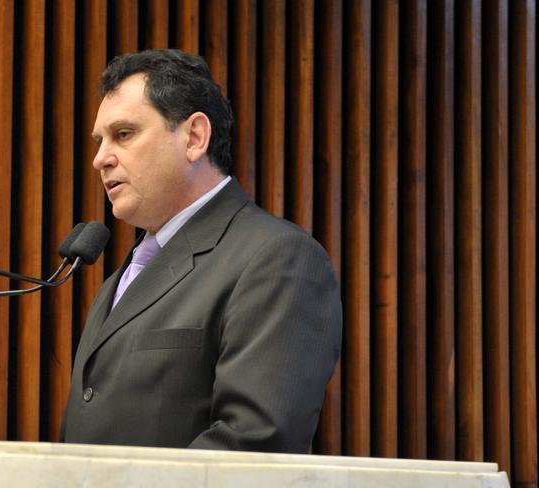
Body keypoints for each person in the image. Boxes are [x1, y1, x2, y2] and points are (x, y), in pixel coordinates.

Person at [59, 49, 342, 453]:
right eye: (99, 141)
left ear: (194, 137)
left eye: (123, 134)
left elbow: (255, 441)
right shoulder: (119, 280)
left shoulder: (277, 258)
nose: (99, 159)